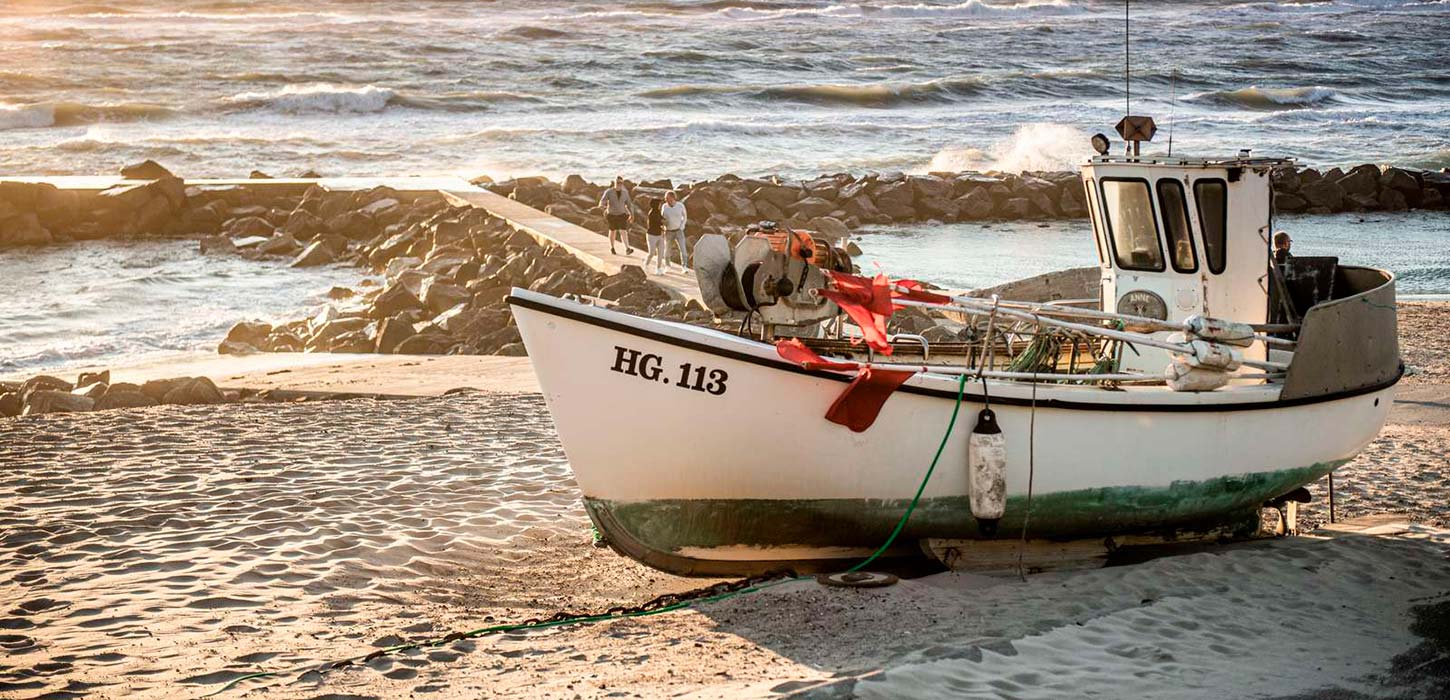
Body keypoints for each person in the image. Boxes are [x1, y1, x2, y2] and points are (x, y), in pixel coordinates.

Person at [600, 176, 634, 256]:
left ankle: (627, 249)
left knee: (623, 231)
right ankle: (612, 247)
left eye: (620, 183)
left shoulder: (625, 193)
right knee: (613, 231)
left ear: (622, 183)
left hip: (622, 214)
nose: (619, 184)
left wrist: (632, 214)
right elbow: (603, 200)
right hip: (612, 215)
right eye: (617, 182)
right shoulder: (609, 192)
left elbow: (629, 204)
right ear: (614, 183)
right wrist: (602, 206)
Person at [660, 190, 689, 273]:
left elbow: (685, 216)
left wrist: (682, 226)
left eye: (668, 198)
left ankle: (684, 266)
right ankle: (667, 266)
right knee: (667, 250)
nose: (667, 200)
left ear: (673, 198)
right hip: (668, 231)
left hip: (679, 231)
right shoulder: (664, 206)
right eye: (666, 199)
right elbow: (662, 218)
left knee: (683, 249)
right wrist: (663, 226)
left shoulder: (680, 205)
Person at [644, 197, 666, 275]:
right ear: (656, 205)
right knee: (652, 253)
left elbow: (662, 219)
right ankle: (646, 264)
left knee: (660, 253)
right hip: (651, 235)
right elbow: (659, 222)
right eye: (659, 204)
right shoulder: (652, 213)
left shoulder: (658, 212)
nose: (660, 205)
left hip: (659, 235)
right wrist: (664, 222)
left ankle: (658, 268)